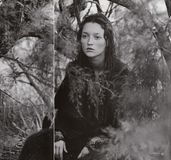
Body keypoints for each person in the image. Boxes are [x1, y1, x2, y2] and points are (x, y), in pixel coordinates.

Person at [54, 13, 128, 160]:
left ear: (107, 41)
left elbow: (120, 122)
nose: (89, 42)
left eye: (97, 37)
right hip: (73, 138)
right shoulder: (74, 68)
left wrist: (93, 145)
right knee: (35, 143)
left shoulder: (120, 72)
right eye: (85, 36)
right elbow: (61, 108)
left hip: (106, 141)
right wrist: (58, 136)